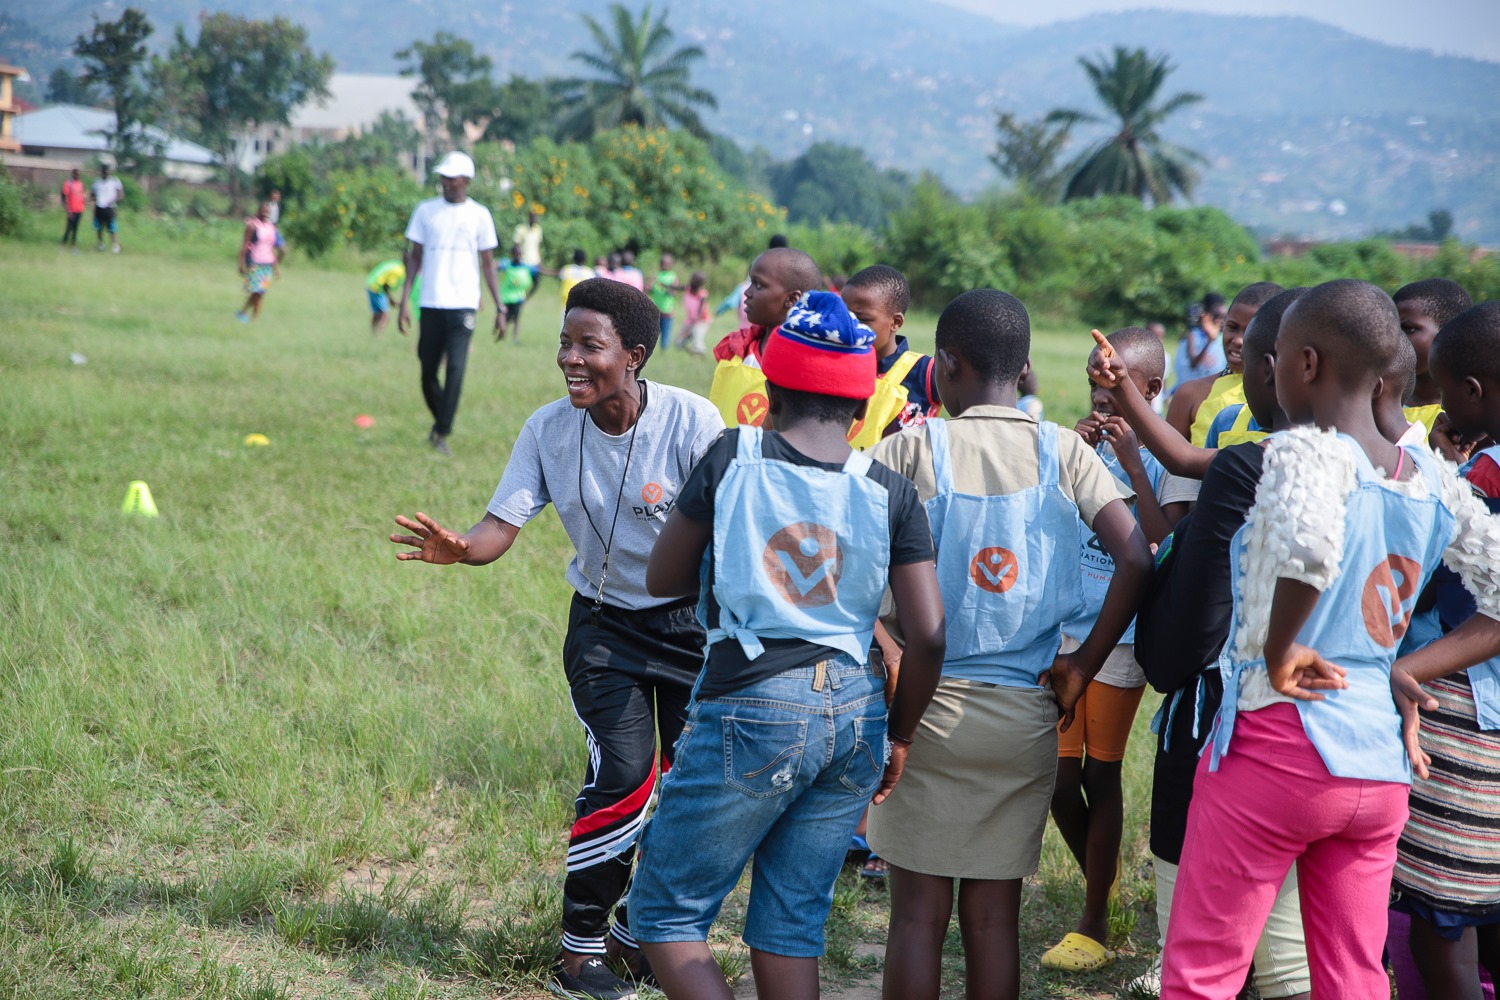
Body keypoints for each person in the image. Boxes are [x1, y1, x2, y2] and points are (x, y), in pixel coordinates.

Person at [1151, 279, 1500, 999]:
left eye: (1272, 356)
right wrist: (1406, 669)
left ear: (1304, 364)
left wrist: (1281, 650)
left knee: (1203, 970)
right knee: (1352, 973)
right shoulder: (1432, 479)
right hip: (1377, 767)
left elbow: (1310, 549)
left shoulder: (1303, 455)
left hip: (1276, 748)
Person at [391, 277, 724, 1000]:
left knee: (694, 787)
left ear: (633, 355)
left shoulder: (695, 422)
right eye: (565, 343)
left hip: (694, 630)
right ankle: (581, 954)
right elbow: (497, 529)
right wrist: (462, 548)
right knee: (623, 778)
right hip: (605, 629)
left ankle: (642, 932)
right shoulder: (547, 428)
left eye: (589, 345)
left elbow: (734, 528)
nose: (570, 358)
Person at [630, 291, 946, 1000]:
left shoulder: (733, 454)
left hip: (753, 700)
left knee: (667, 912)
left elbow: (662, 577)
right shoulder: (889, 489)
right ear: (863, 410)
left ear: (768, 391)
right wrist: (899, 737)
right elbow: (927, 634)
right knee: (791, 923)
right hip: (859, 713)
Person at [868, 289, 1152, 1000]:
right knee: (994, 921)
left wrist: (889, 649)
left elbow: (845, 566)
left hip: (921, 713)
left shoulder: (908, 447)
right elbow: (1139, 559)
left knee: (914, 918)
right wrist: (1084, 665)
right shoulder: (1063, 449)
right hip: (1026, 713)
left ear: (947, 365)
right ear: (1024, 367)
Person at [1124, 288, 1313, 1000]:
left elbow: (1184, 639)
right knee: (1296, 957)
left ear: (1284, 369)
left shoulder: (1245, 467)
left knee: (1201, 954)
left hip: (1223, 723)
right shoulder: (1407, 470)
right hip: (1338, 736)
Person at [1043, 327, 1188, 974]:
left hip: (1121, 637)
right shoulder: (1074, 446)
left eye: (1115, 393)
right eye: (1094, 390)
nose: (1101, 406)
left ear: (1149, 390)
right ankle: (1101, 880)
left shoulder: (1162, 456)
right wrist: (1067, 460)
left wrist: (1132, 465)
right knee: (1053, 780)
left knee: (1100, 775)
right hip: (1063, 630)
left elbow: (1164, 544)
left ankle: (1095, 917)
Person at [1390, 301, 1500, 1000]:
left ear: (1471, 393)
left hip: (1469, 709)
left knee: (1444, 924)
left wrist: (1407, 668)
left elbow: (1476, 601)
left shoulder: (1486, 477)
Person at [396, 151, 503, 456]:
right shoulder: (425, 211)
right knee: (427, 369)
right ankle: (442, 418)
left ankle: (441, 430)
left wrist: (500, 307)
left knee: (456, 367)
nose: (445, 182)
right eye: (442, 177)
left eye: (451, 178)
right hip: (430, 301)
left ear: (466, 180)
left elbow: (488, 264)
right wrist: (404, 301)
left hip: (464, 303)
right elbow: (414, 258)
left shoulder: (480, 215)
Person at [708, 247, 823, 429]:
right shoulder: (738, 349)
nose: (747, 293)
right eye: (750, 283)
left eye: (758, 285)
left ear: (792, 299)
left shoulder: (811, 365)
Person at [840, 265, 941, 449]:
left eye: (862, 319)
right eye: (844, 317)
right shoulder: (833, 363)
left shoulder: (924, 371)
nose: (850, 327)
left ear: (895, 322)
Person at [1176, 283, 1284, 445]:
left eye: (1249, 331)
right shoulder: (1191, 394)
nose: (1238, 340)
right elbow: (1167, 465)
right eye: (1232, 327)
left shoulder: (1286, 401)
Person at [1394, 278, 1474, 438]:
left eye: (1408, 329)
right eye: (1390, 328)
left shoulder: (1470, 417)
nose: (1394, 337)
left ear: (1450, 334)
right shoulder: (1374, 402)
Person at [236, 201, 280, 323]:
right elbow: (245, 245)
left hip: (267, 263)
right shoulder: (252, 226)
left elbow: (272, 248)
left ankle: (252, 318)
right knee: (255, 290)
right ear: (259, 210)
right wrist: (241, 263)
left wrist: (276, 268)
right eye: (263, 210)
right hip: (254, 262)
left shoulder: (271, 227)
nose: (266, 213)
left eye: (268, 211)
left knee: (261, 292)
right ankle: (246, 313)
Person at [1174, 293, 1227, 385]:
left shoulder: (1223, 337)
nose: (1220, 321)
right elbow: (1193, 363)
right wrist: (1210, 341)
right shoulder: (1193, 335)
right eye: (1217, 316)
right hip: (1191, 388)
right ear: (1206, 315)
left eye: (1224, 317)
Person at [367, 258, 413, 335]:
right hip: (377, 287)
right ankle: (377, 335)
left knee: (377, 312)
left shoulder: (398, 265)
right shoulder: (400, 271)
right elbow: (386, 286)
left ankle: (372, 333)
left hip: (370, 283)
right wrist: (391, 300)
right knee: (385, 316)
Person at [499, 244, 535, 341]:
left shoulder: (526, 267)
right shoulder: (507, 264)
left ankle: (515, 337)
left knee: (516, 318)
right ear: (512, 254)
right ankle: (502, 334)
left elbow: (538, 273)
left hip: (518, 297)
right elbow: (495, 266)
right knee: (504, 317)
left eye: (519, 254)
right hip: (506, 297)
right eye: (516, 254)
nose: (518, 256)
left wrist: (529, 294)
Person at [649, 253, 681, 351]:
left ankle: (664, 353)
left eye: (666, 263)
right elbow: (648, 290)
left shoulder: (673, 277)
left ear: (671, 265)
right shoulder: (656, 275)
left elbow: (672, 292)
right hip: (656, 310)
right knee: (652, 335)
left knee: (665, 338)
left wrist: (660, 283)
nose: (663, 265)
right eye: (662, 263)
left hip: (667, 311)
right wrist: (651, 282)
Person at [91, 163, 124, 254]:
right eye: (103, 172)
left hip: (110, 207)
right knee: (99, 227)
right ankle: (101, 244)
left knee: (112, 228)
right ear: (101, 172)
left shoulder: (114, 181)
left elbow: (120, 194)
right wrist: (94, 203)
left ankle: (115, 245)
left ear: (109, 172)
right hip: (99, 207)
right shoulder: (96, 182)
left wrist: (113, 201)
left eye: (107, 171)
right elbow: (92, 195)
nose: (105, 173)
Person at [557, 249, 596, 323]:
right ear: (585, 259)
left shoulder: (567, 269)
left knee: (565, 325)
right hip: (583, 304)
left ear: (574, 258)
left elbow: (561, 279)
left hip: (567, 301)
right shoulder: (589, 272)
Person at [678, 271, 711, 356]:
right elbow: (676, 287)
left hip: (701, 321)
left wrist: (691, 328)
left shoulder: (703, 295)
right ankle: (691, 352)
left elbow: (700, 312)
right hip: (690, 320)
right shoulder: (688, 288)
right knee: (678, 342)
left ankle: (702, 356)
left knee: (698, 343)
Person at [513, 209, 544, 293]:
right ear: (529, 218)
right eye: (533, 217)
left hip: (534, 261)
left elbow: (538, 246)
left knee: (536, 283)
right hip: (524, 261)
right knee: (523, 283)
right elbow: (516, 245)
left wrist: (540, 260)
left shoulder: (538, 229)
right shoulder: (521, 229)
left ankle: (525, 299)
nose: (535, 219)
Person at [60, 168, 85, 252]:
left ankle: (73, 246)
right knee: (69, 228)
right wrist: (68, 210)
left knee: (75, 228)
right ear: (73, 174)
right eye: (76, 174)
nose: (78, 175)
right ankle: (63, 245)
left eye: (79, 174)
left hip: (79, 210)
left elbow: (82, 195)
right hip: (71, 210)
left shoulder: (81, 184)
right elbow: (64, 197)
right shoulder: (68, 183)